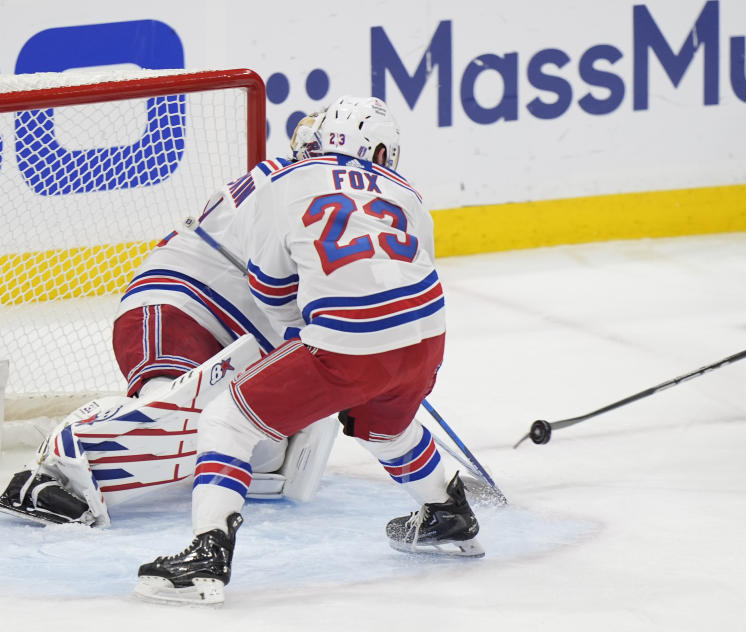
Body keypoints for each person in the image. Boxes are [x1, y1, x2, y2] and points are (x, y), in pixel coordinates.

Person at [134, 96, 482, 606]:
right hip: (427, 336)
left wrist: (302, 335)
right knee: (384, 426)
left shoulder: (285, 180)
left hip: (347, 342)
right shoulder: (406, 191)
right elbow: (419, 264)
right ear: (379, 150)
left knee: (227, 419)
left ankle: (206, 556)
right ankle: (447, 512)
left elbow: (271, 286)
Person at [0, 114, 339, 526]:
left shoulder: (333, 209)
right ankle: (46, 473)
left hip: (238, 337)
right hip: (179, 307)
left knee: (265, 456)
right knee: (164, 415)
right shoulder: (277, 183)